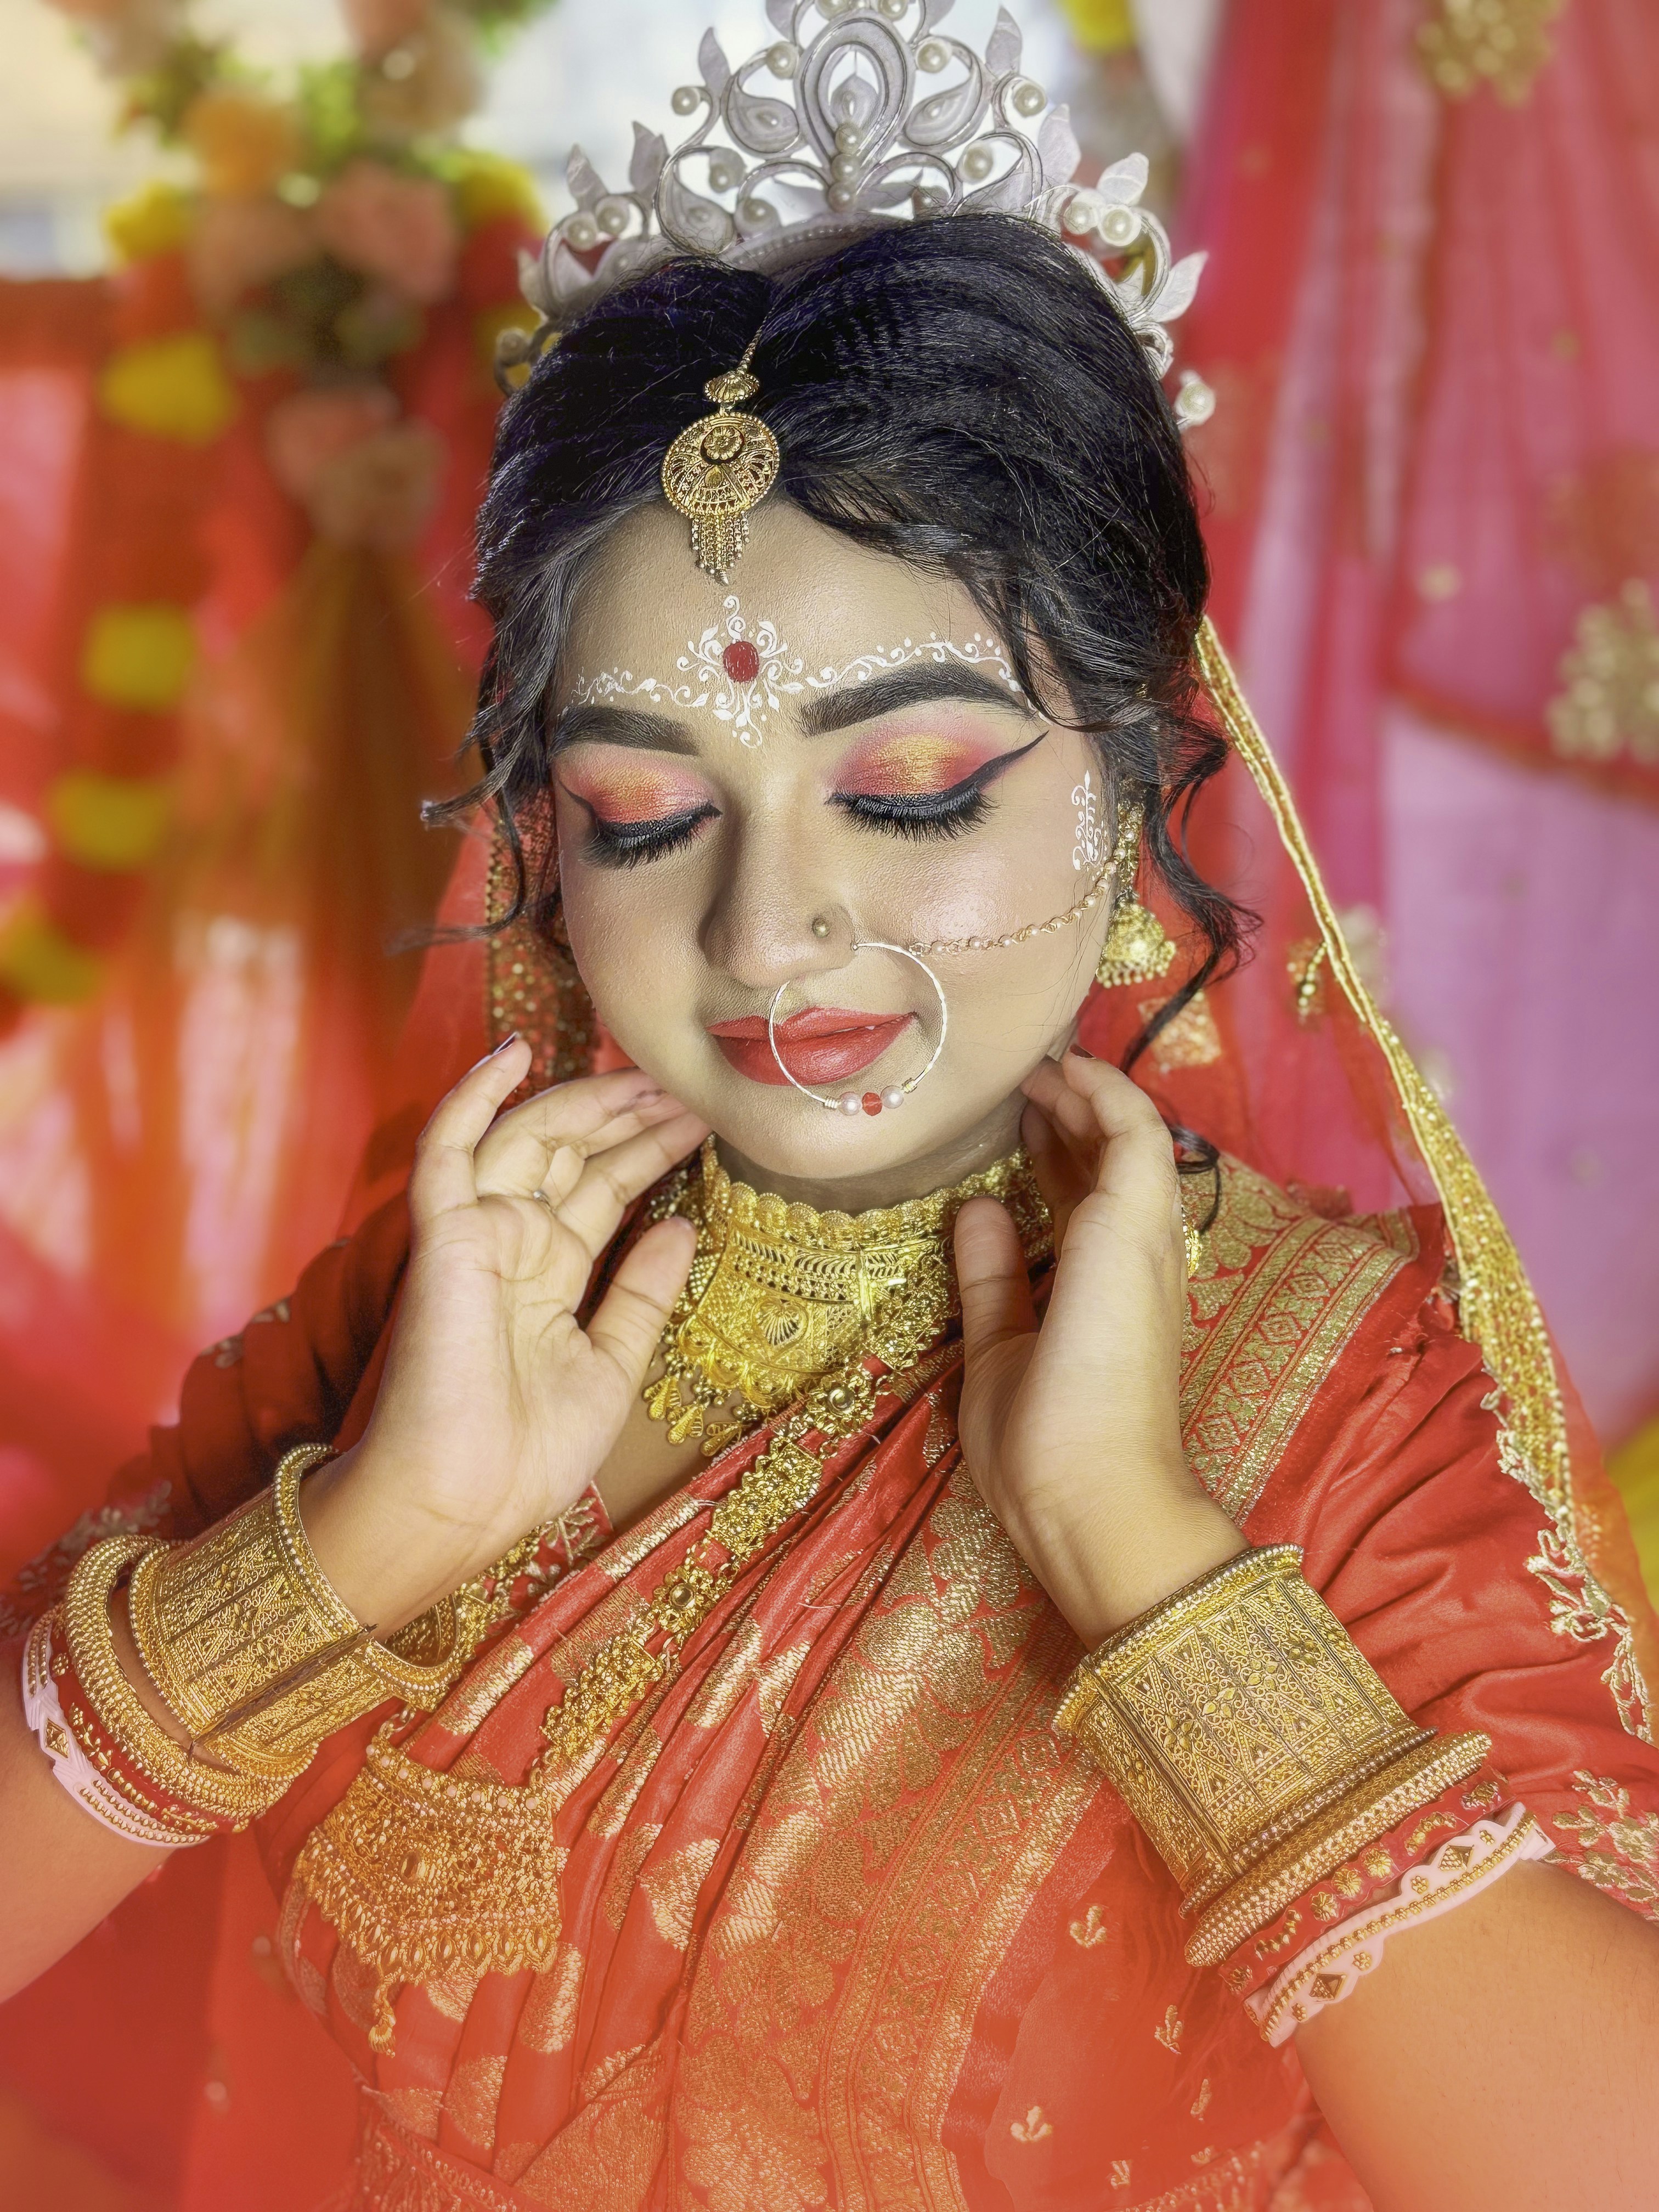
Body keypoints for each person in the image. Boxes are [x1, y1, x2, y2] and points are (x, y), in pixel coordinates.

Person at [4, 12, 1658, 2207]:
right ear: (537, 839)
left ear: (1149, 772)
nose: (773, 934)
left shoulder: (1327, 1406)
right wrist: (351, 1553)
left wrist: (1141, 1563)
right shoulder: (459, 1302)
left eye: (917, 790)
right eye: (643, 809)